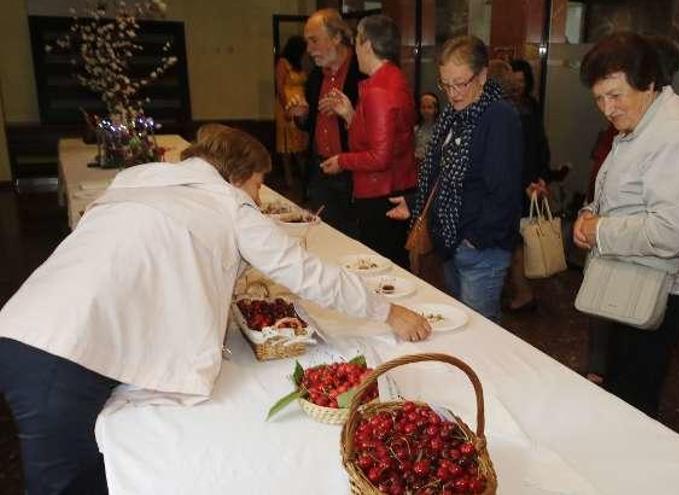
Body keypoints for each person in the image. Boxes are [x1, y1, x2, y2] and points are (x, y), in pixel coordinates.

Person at [0, 125, 430, 495]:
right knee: (67, 484)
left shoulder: (142, 181)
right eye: (259, 185)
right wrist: (388, 312)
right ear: (238, 176)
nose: (259, 198)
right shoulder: (228, 202)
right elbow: (308, 274)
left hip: (33, 327)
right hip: (57, 351)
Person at [573, 32, 679, 417]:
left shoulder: (674, 134)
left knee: (633, 399)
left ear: (649, 82)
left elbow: (669, 232)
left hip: (662, 288)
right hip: (632, 275)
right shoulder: (643, 122)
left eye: (616, 95)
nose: (608, 108)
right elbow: (622, 193)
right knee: (618, 386)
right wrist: (590, 213)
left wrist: (599, 230)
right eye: (600, 99)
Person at [387, 35, 523, 321]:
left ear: (483, 75)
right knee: (460, 324)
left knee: (480, 333)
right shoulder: (452, 115)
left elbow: (504, 193)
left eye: (460, 83)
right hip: (451, 242)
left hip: (481, 248)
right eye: (445, 84)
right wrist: (415, 202)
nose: (453, 93)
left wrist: (472, 238)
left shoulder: (499, 117)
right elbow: (445, 177)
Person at [318, 15, 417, 269]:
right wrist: (351, 115)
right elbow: (384, 139)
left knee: (382, 270)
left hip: (379, 194)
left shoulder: (379, 90)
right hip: (392, 188)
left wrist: (342, 160)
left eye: (357, 42)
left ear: (368, 45)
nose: (354, 50)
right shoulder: (394, 78)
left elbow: (379, 157)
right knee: (392, 265)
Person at [288, 8, 365, 238]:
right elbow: (310, 124)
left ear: (337, 37)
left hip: (353, 173)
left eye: (314, 41)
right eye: (307, 42)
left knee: (353, 241)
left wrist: (348, 114)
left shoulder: (362, 73)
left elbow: (378, 132)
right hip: (321, 171)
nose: (309, 49)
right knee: (325, 237)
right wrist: (301, 114)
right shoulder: (315, 76)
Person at [505, 59, 551, 312]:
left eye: (522, 81)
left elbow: (540, 145)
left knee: (519, 241)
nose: (518, 86)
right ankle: (517, 287)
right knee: (513, 240)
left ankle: (523, 291)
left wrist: (542, 177)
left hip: (527, 183)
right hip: (511, 182)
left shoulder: (531, 106)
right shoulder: (501, 108)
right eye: (514, 81)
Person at [274, 35, 309, 190]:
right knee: (287, 143)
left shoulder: (298, 64)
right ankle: (290, 179)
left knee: (300, 142)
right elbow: (280, 87)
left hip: (300, 106)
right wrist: (286, 108)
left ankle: (303, 178)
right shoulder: (283, 63)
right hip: (287, 105)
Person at [414, 92, 439, 165]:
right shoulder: (415, 129)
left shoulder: (441, 130)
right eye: (423, 107)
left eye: (429, 107)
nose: (426, 111)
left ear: (436, 109)